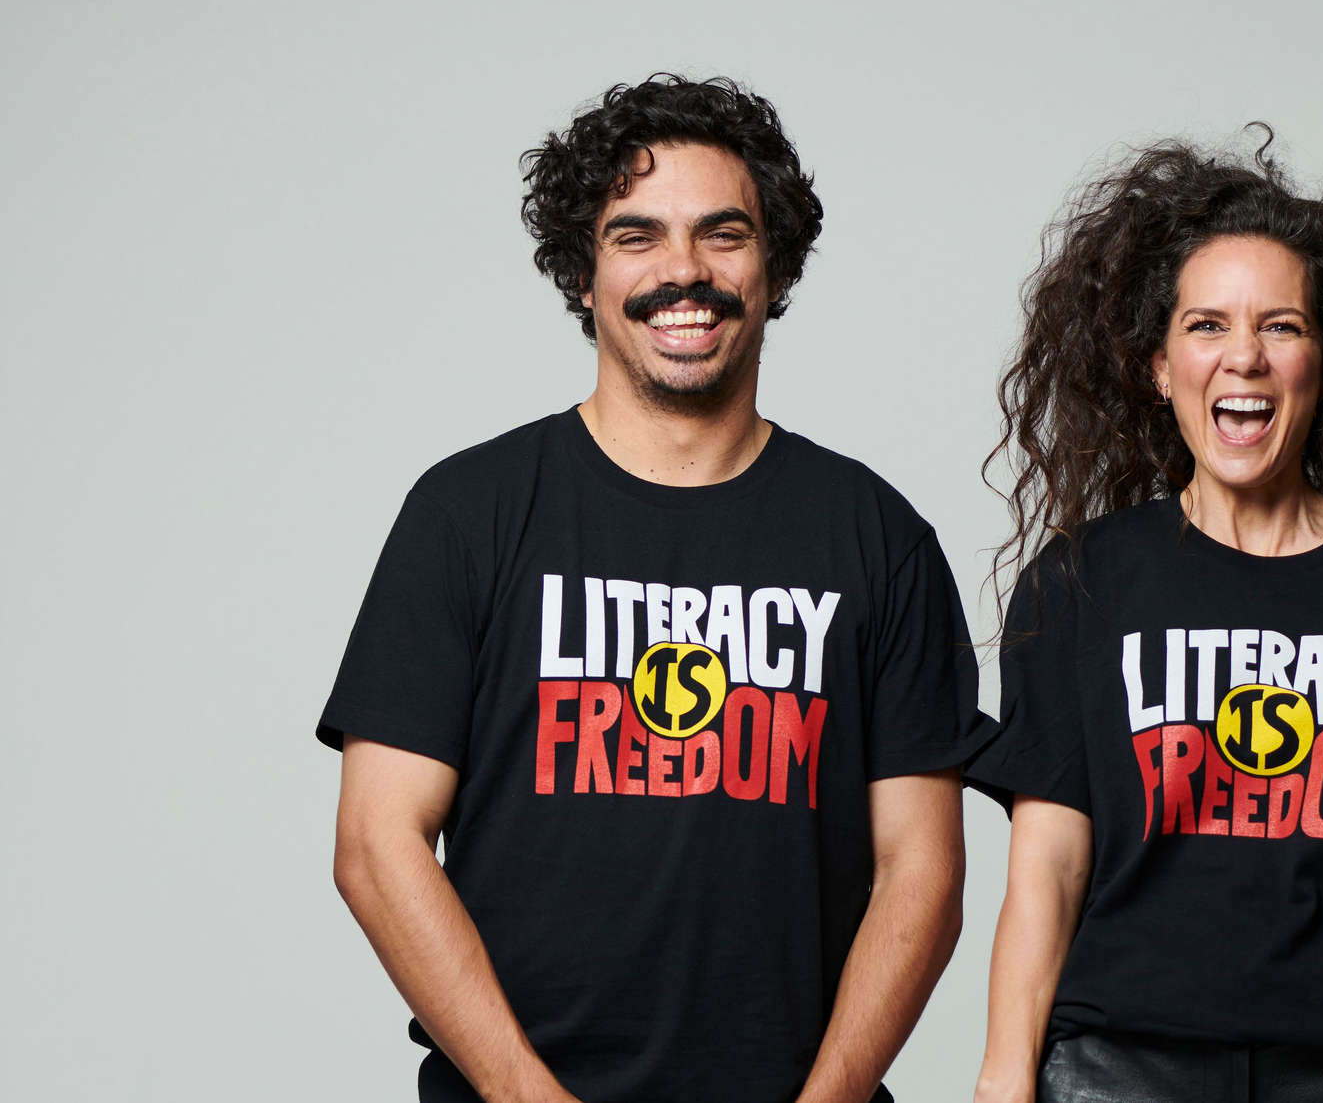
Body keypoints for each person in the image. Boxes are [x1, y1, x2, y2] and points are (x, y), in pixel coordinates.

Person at [319, 74, 993, 1103]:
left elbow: (924, 873)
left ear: (774, 265)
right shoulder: (466, 513)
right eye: (636, 236)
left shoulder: (877, 538)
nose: (685, 270)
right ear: (583, 274)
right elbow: (377, 844)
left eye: (724, 234)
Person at [965, 133, 1323, 1103]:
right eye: (1207, 325)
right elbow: (1048, 866)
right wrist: (1002, 1078)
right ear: (1160, 366)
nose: (1243, 356)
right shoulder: (1082, 580)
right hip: (1122, 1068)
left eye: (1281, 326)